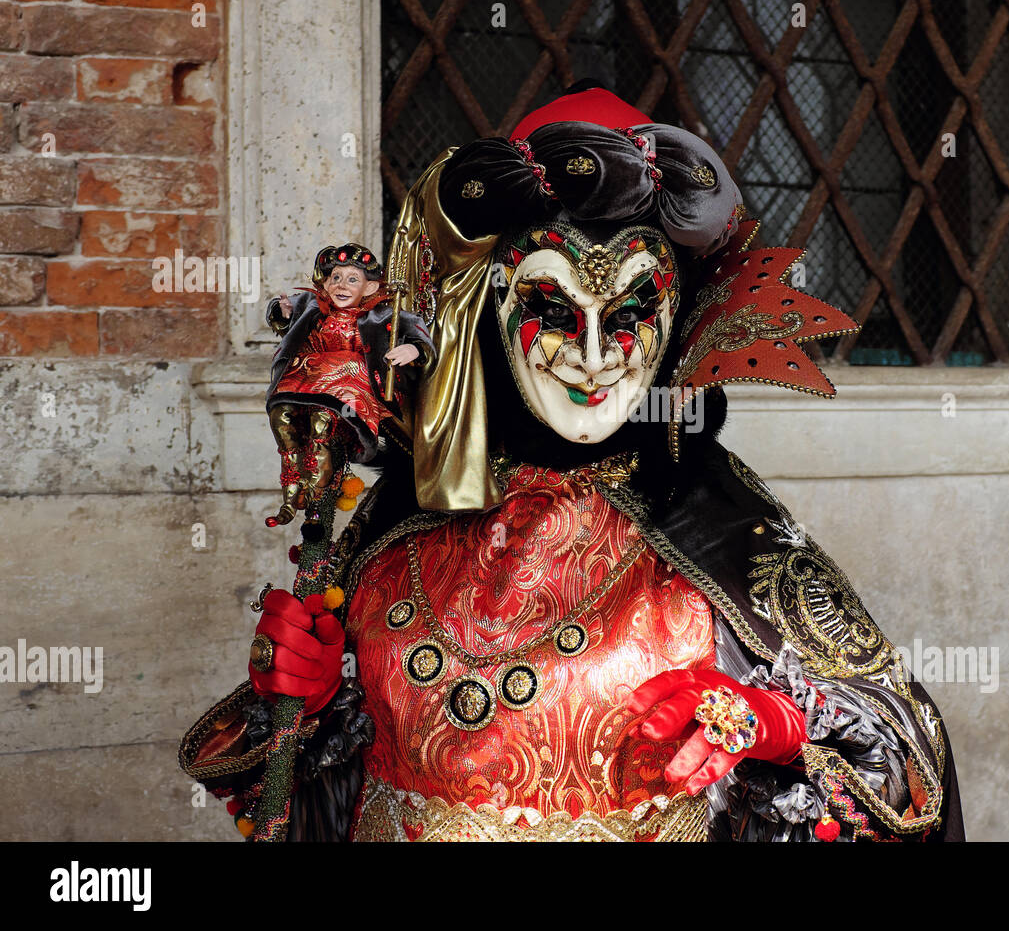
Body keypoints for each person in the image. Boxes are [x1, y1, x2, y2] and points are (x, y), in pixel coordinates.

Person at [180, 84, 963, 842]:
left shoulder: (724, 527)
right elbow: (305, 788)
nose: (593, 358)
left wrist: (779, 727)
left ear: (678, 320)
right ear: (486, 309)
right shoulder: (401, 518)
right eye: (553, 312)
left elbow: (904, 754)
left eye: (629, 315)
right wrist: (306, 707)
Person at [263, 244, 433, 526]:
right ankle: (293, 487)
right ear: (324, 283)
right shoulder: (311, 306)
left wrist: (414, 350)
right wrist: (281, 311)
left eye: (352, 279)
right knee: (281, 418)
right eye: (335, 278)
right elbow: (282, 314)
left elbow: (417, 333)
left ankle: (318, 501)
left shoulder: (381, 315)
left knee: (323, 424)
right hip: (306, 379)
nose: (341, 286)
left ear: (369, 288)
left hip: (348, 385)